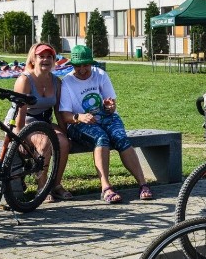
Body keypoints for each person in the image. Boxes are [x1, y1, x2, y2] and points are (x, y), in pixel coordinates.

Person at [59, 45, 153, 203]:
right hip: (78, 122)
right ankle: (106, 188)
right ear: (72, 65)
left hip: (105, 117)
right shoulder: (67, 82)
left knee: (121, 138)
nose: (82, 69)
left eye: (86, 65)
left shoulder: (100, 74)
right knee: (102, 138)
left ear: (91, 63)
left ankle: (143, 184)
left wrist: (110, 106)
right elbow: (65, 115)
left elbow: (111, 103)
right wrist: (80, 117)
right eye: (78, 66)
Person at [12, 43, 72, 202]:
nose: (46, 60)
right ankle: (42, 187)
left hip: (44, 122)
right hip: (24, 123)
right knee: (44, 142)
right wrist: (19, 137)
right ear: (33, 59)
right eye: (41, 56)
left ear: (54, 60)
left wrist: (64, 131)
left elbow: (58, 111)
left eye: (49, 57)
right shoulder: (25, 80)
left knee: (63, 142)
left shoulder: (56, 81)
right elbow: (20, 112)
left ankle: (56, 185)